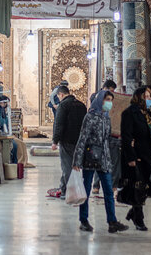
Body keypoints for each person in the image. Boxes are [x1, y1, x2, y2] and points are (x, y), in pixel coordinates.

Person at [73, 91, 128, 233]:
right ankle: (83, 220)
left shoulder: (106, 118)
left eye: (110, 100)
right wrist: (77, 161)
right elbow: (82, 138)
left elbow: (107, 138)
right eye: (107, 100)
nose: (109, 103)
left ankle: (112, 221)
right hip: (90, 157)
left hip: (104, 158)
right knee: (86, 189)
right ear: (100, 101)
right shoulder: (90, 117)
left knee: (109, 191)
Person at [119, 86, 151, 231]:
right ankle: (138, 218)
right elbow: (126, 137)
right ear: (139, 97)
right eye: (146, 96)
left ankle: (134, 211)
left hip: (149, 154)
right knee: (138, 186)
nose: (149, 99)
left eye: (150, 96)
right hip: (137, 156)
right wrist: (131, 157)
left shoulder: (149, 113)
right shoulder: (130, 113)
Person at [51, 84, 86, 198]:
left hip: (67, 140)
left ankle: (69, 192)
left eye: (59, 97)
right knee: (73, 165)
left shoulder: (63, 105)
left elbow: (59, 124)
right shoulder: (81, 105)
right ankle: (63, 188)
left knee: (67, 166)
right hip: (79, 141)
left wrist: (55, 141)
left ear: (61, 94)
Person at [88, 80, 118, 194]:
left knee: (109, 163)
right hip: (98, 140)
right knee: (98, 162)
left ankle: (110, 187)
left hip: (109, 138)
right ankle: (96, 186)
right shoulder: (95, 103)